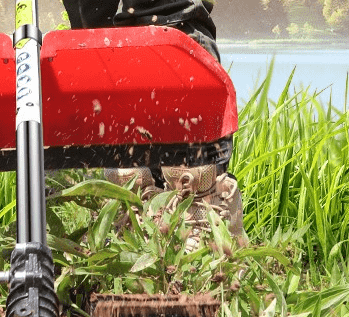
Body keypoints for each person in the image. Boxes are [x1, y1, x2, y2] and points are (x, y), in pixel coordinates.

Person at [61, 0, 247, 250]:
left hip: (174, 36)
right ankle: (137, 216)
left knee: (165, 19)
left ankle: (201, 210)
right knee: (98, 37)